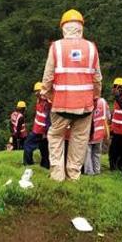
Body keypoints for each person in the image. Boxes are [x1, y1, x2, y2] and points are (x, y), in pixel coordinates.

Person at [41, 9, 102, 182]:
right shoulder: (91, 48)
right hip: (85, 105)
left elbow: (48, 76)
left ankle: (57, 176)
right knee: (79, 140)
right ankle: (74, 176)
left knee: (55, 136)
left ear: (63, 27)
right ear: (81, 27)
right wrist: (95, 97)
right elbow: (97, 79)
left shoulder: (57, 47)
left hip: (61, 104)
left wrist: (46, 95)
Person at [23, 82, 51, 168]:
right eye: (35, 91)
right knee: (44, 148)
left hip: (40, 130)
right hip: (39, 129)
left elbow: (47, 118)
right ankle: (45, 166)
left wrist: (45, 132)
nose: (36, 93)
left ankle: (28, 164)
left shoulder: (46, 102)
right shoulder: (39, 101)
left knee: (27, 145)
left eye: (38, 91)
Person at [84, 94, 109, 175]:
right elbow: (108, 116)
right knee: (97, 153)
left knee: (88, 153)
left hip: (89, 133)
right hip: (99, 133)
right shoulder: (103, 101)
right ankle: (97, 171)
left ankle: (89, 172)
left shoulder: (86, 101)